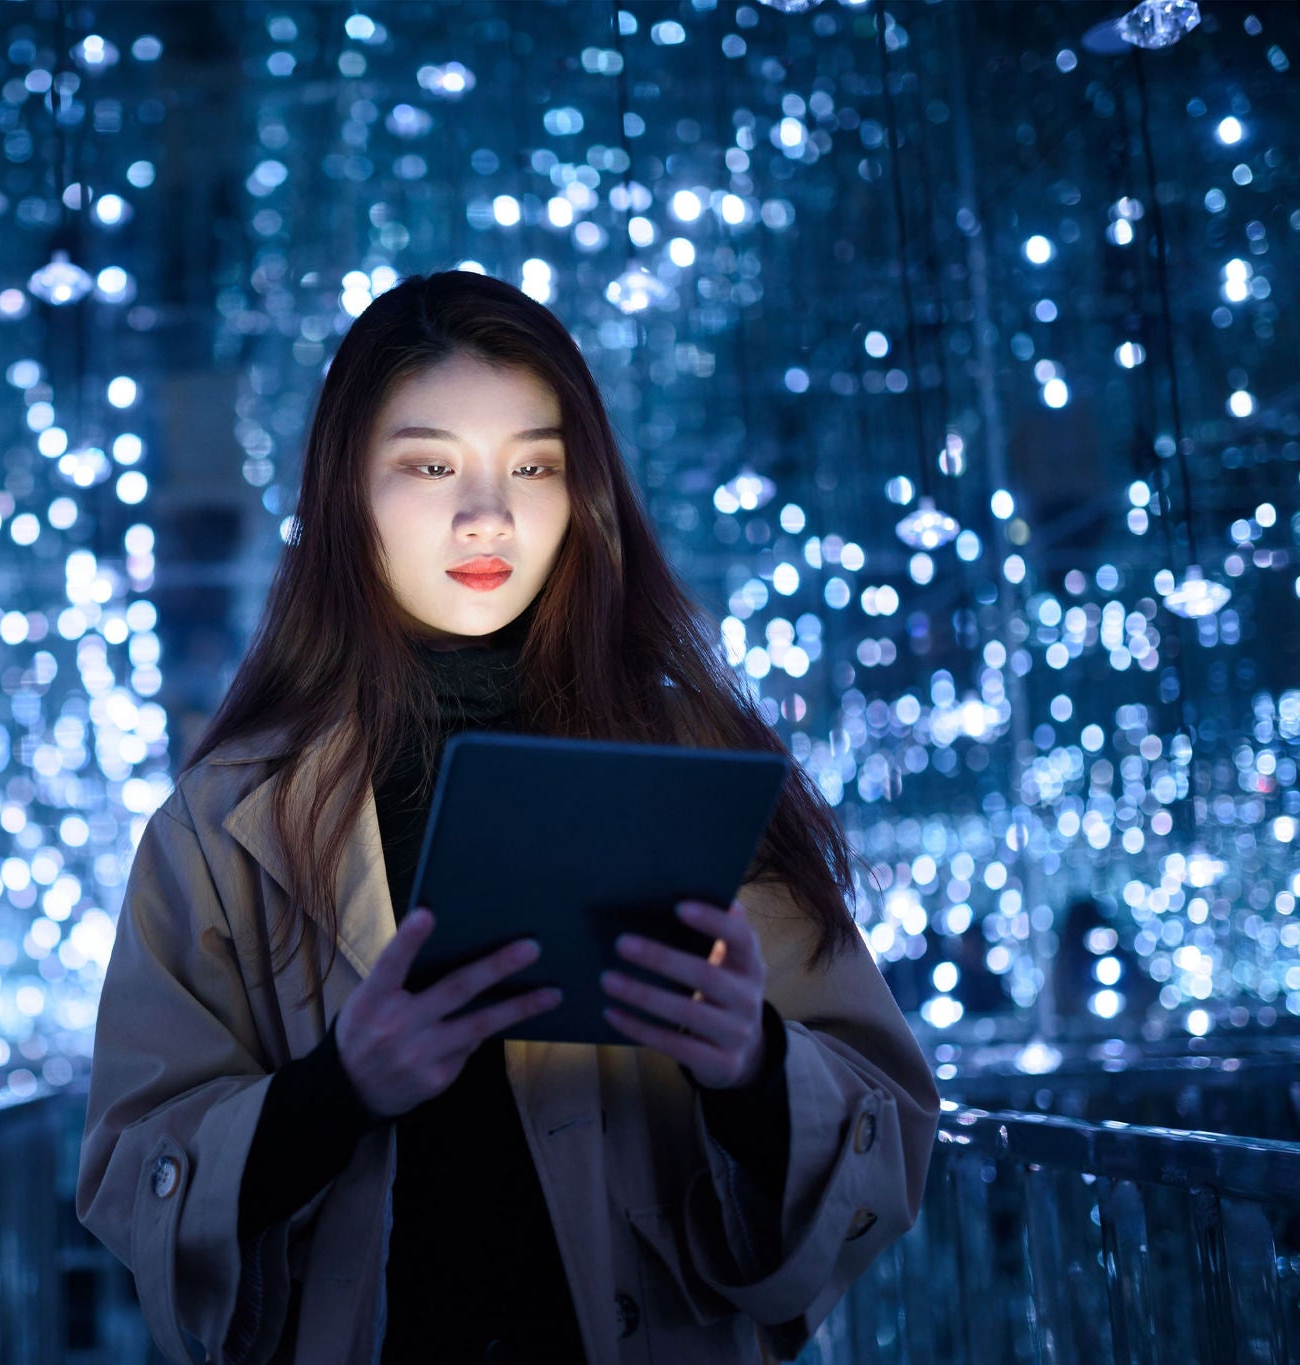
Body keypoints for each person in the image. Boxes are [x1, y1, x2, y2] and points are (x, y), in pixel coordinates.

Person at [76, 270, 938, 1364]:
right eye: (429, 464)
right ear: (345, 490)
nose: (485, 514)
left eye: (533, 465)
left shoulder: (692, 768)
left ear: (585, 494)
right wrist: (335, 1091)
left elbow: (891, 1131)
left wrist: (755, 1064)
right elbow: (126, 1178)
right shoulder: (223, 820)